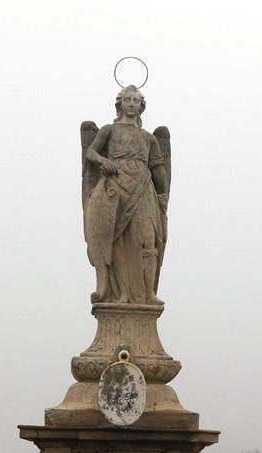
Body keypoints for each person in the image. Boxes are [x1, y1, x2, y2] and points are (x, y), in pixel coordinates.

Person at [82, 85, 169, 305]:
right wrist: (104, 161)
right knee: (118, 240)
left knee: (148, 239)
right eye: (127, 100)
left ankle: (148, 293)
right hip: (115, 185)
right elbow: (90, 152)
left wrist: (164, 194)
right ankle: (119, 293)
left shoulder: (149, 138)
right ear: (120, 104)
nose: (131, 104)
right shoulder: (108, 131)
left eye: (136, 100)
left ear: (141, 106)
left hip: (142, 187)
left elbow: (158, 168)